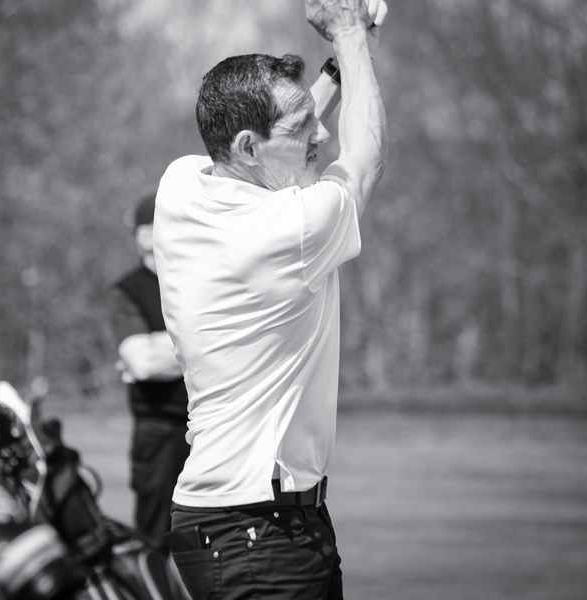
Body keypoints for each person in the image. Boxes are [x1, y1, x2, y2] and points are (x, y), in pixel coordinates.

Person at [151, 0, 389, 597]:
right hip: (259, 529)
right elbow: (364, 163)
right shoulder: (293, 230)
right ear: (247, 147)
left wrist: (334, 74)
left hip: (237, 523)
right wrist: (350, 34)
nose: (321, 134)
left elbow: (272, 151)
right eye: (304, 127)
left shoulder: (181, 183)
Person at [108, 193, 190, 544]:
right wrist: (211, 344)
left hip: (212, 429)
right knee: (157, 542)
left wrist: (163, 345)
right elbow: (142, 362)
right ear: (144, 236)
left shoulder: (203, 282)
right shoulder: (129, 290)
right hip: (160, 435)